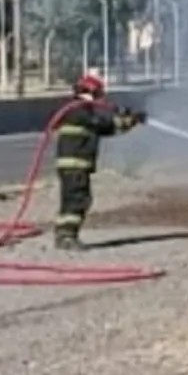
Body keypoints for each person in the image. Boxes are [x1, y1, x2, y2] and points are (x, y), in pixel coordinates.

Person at [53, 74, 146, 249]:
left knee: (73, 200)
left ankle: (64, 235)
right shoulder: (78, 111)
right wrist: (129, 118)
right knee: (77, 200)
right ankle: (67, 237)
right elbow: (106, 124)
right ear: (91, 92)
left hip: (73, 166)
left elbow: (108, 128)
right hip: (75, 166)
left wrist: (131, 120)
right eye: (98, 94)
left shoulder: (77, 111)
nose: (100, 99)